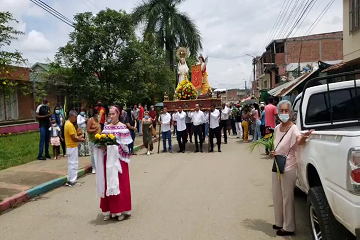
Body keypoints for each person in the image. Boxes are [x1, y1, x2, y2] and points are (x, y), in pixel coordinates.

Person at [270, 100, 313, 236]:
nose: (283, 113)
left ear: (290, 113)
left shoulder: (293, 128)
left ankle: (289, 227)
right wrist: (273, 152)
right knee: (277, 194)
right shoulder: (277, 128)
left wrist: (304, 137)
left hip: (288, 167)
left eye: (286, 111)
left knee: (287, 197)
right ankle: (279, 222)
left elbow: (299, 139)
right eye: (281, 111)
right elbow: (275, 145)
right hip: (277, 165)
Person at [96, 106, 133, 221]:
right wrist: (102, 146)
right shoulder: (106, 128)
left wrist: (116, 147)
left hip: (119, 160)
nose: (111, 116)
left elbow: (126, 146)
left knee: (120, 183)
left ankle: (121, 210)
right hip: (108, 159)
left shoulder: (123, 128)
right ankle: (108, 210)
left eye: (113, 114)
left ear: (118, 114)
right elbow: (102, 142)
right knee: (108, 183)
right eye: (109, 114)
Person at [64, 110, 85, 186]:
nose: (76, 119)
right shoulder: (69, 125)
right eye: (75, 117)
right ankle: (73, 180)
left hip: (71, 146)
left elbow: (74, 136)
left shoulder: (69, 124)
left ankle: (70, 179)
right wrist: (81, 139)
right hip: (72, 146)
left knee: (71, 164)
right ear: (72, 116)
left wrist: (79, 137)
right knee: (74, 164)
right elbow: (73, 138)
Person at [87, 108, 101, 174]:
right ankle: (94, 167)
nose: (99, 115)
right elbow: (88, 130)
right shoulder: (90, 120)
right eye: (98, 114)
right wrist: (94, 130)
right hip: (92, 139)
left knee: (98, 153)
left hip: (98, 139)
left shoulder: (97, 120)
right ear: (95, 114)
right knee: (93, 154)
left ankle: (98, 166)